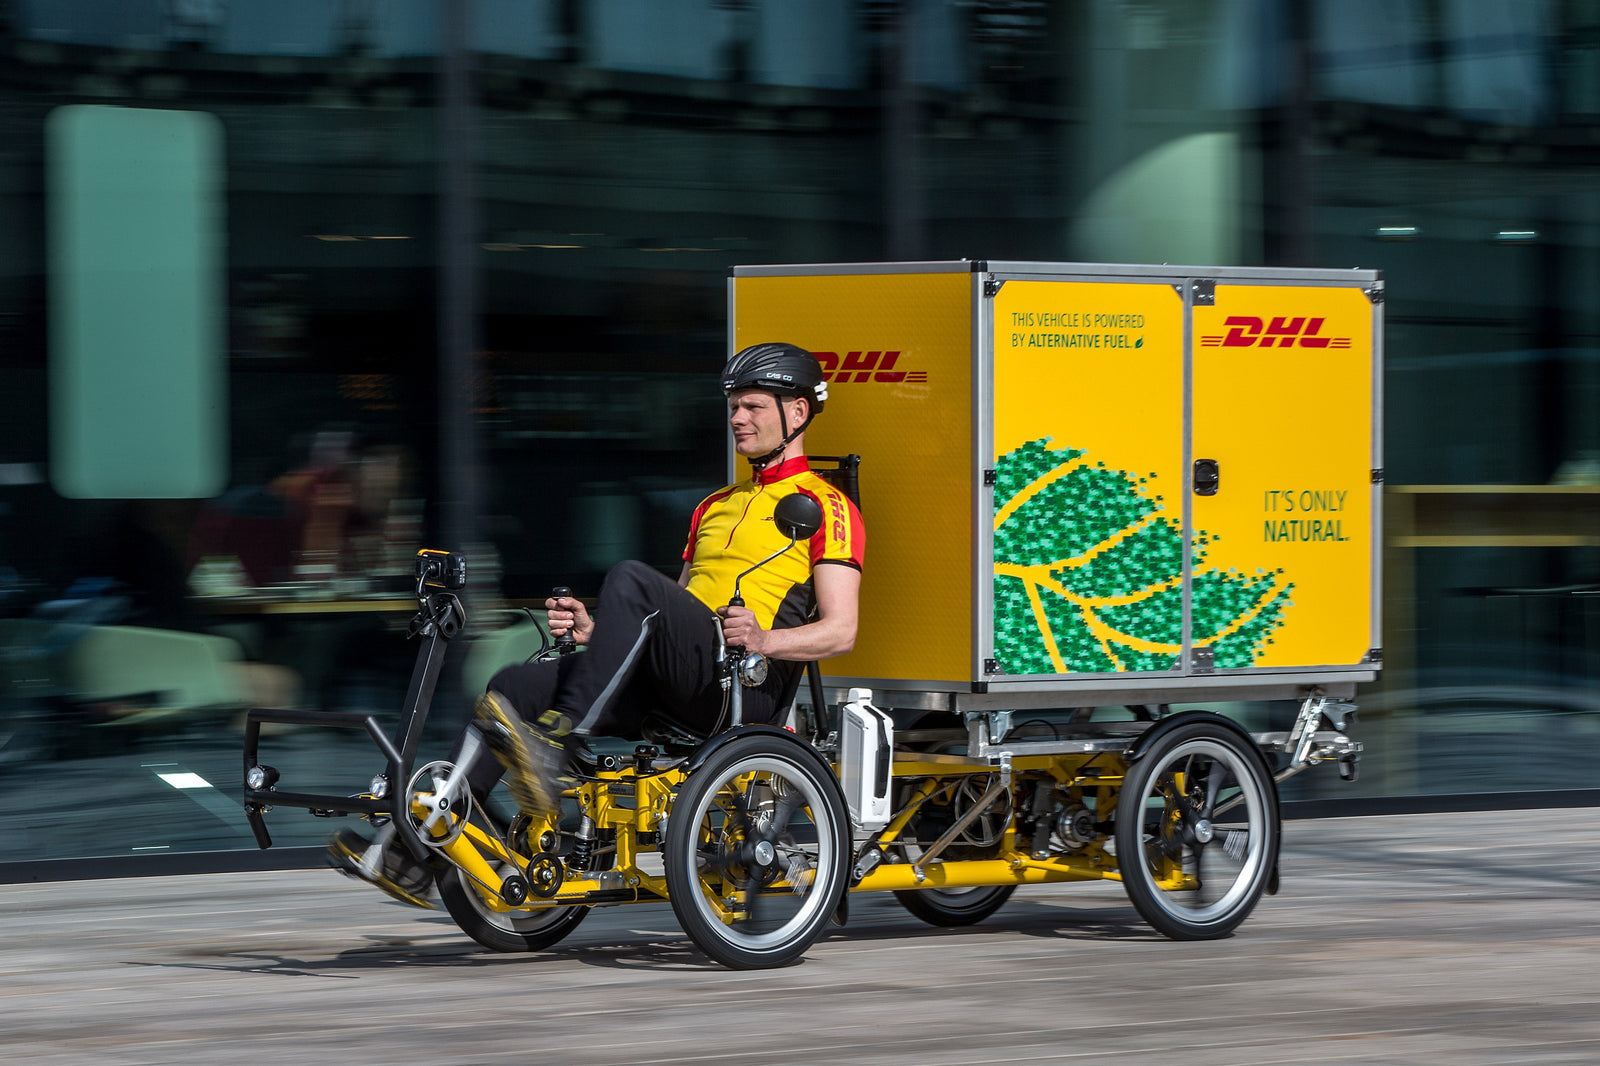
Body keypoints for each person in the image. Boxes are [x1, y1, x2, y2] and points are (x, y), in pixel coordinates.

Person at [328, 343, 865, 907]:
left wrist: (764, 639)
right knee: (512, 688)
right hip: (676, 681)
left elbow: (841, 630)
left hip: (738, 689)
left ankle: (556, 741)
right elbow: (675, 609)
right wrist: (599, 634)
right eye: (733, 405)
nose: (736, 418)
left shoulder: (826, 506)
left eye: (752, 406)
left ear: (797, 412)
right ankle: (416, 857)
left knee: (632, 577)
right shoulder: (715, 505)